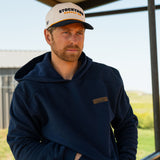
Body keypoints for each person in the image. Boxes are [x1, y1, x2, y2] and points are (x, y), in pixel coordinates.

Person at [7, 2, 138, 160]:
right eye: (66, 32)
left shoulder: (107, 77)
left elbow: (126, 124)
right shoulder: (29, 89)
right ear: (48, 36)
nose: (74, 40)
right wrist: (72, 157)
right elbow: (21, 145)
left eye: (79, 33)